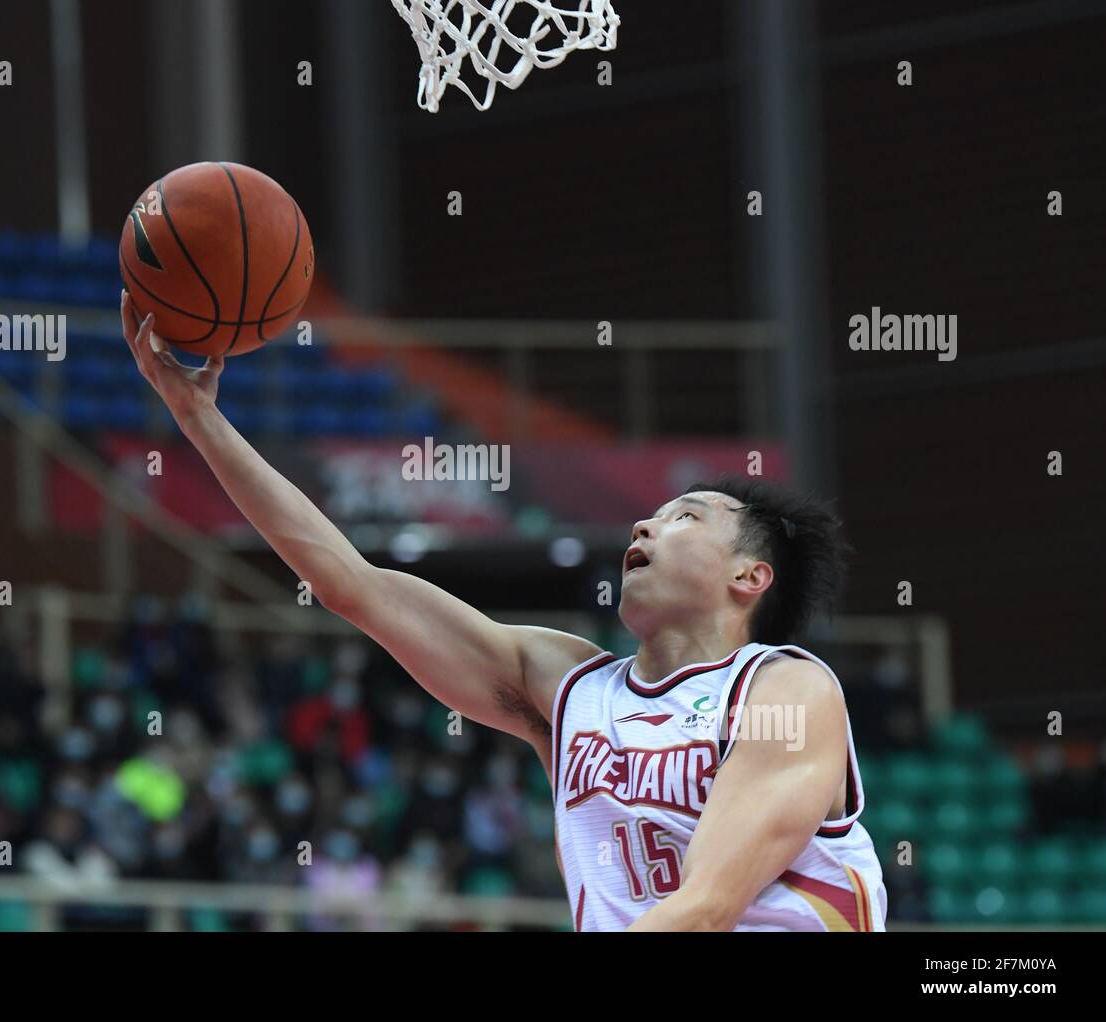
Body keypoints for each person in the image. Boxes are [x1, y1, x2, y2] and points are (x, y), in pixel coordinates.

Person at [118, 293, 887, 931]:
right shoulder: (571, 689)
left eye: (685, 517)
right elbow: (351, 582)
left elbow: (706, 906)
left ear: (751, 576)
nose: (644, 526)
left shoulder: (784, 690)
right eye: (649, 515)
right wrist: (198, 419)